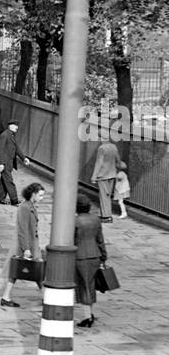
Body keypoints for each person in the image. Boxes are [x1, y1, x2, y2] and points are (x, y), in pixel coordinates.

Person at [1, 181, 45, 307]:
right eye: (40, 195)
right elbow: (22, 229)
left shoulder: (29, 206)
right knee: (32, 271)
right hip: (26, 245)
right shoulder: (25, 208)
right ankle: (46, 297)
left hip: (31, 244)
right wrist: (26, 248)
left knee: (27, 271)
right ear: (33, 194)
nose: (42, 199)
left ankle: (6, 296)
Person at [74, 195, 107, 329]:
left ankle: (88, 317)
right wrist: (104, 256)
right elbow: (100, 239)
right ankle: (90, 313)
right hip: (95, 255)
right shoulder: (96, 220)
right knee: (91, 285)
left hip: (81, 256)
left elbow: (72, 240)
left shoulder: (75, 221)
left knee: (84, 286)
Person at [0, 121, 27, 205]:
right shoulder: (4, 135)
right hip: (5, 162)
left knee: (4, 181)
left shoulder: (11, 135)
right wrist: (1, 163)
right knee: (9, 181)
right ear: (10, 126)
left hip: (9, 162)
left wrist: (23, 158)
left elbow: (16, 148)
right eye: (16, 125)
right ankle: (14, 199)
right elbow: (0, 150)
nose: (17, 127)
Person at [90, 137, 120, 223]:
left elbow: (99, 162)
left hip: (102, 175)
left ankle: (106, 216)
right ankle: (105, 214)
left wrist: (94, 176)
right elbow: (118, 159)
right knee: (108, 195)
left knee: (103, 196)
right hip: (112, 174)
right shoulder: (114, 147)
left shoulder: (102, 148)